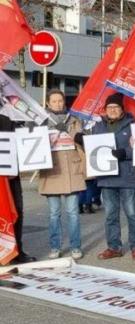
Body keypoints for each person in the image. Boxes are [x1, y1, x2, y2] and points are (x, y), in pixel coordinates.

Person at [90, 94, 135, 261]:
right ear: (105, 110)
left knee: (132, 213)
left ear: (122, 109)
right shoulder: (98, 126)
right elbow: (92, 148)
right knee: (110, 215)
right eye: (109, 108)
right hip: (106, 177)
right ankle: (114, 247)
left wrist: (125, 153)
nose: (112, 110)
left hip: (127, 176)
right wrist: (82, 141)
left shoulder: (133, 124)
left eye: (116, 107)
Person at [38, 89, 86, 260]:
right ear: (48, 103)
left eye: (60, 100)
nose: (58, 103)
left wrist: (71, 132)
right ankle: (55, 246)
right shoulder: (42, 121)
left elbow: (82, 142)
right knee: (54, 213)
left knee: (73, 212)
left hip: (71, 170)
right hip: (51, 171)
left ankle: (75, 246)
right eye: (54, 101)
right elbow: (35, 145)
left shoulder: (73, 119)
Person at [0, 114, 36, 264]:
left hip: (11, 176)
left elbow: (22, 143)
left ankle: (16, 251)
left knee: (16, 211)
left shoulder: (8, 119)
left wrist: (31, 129)